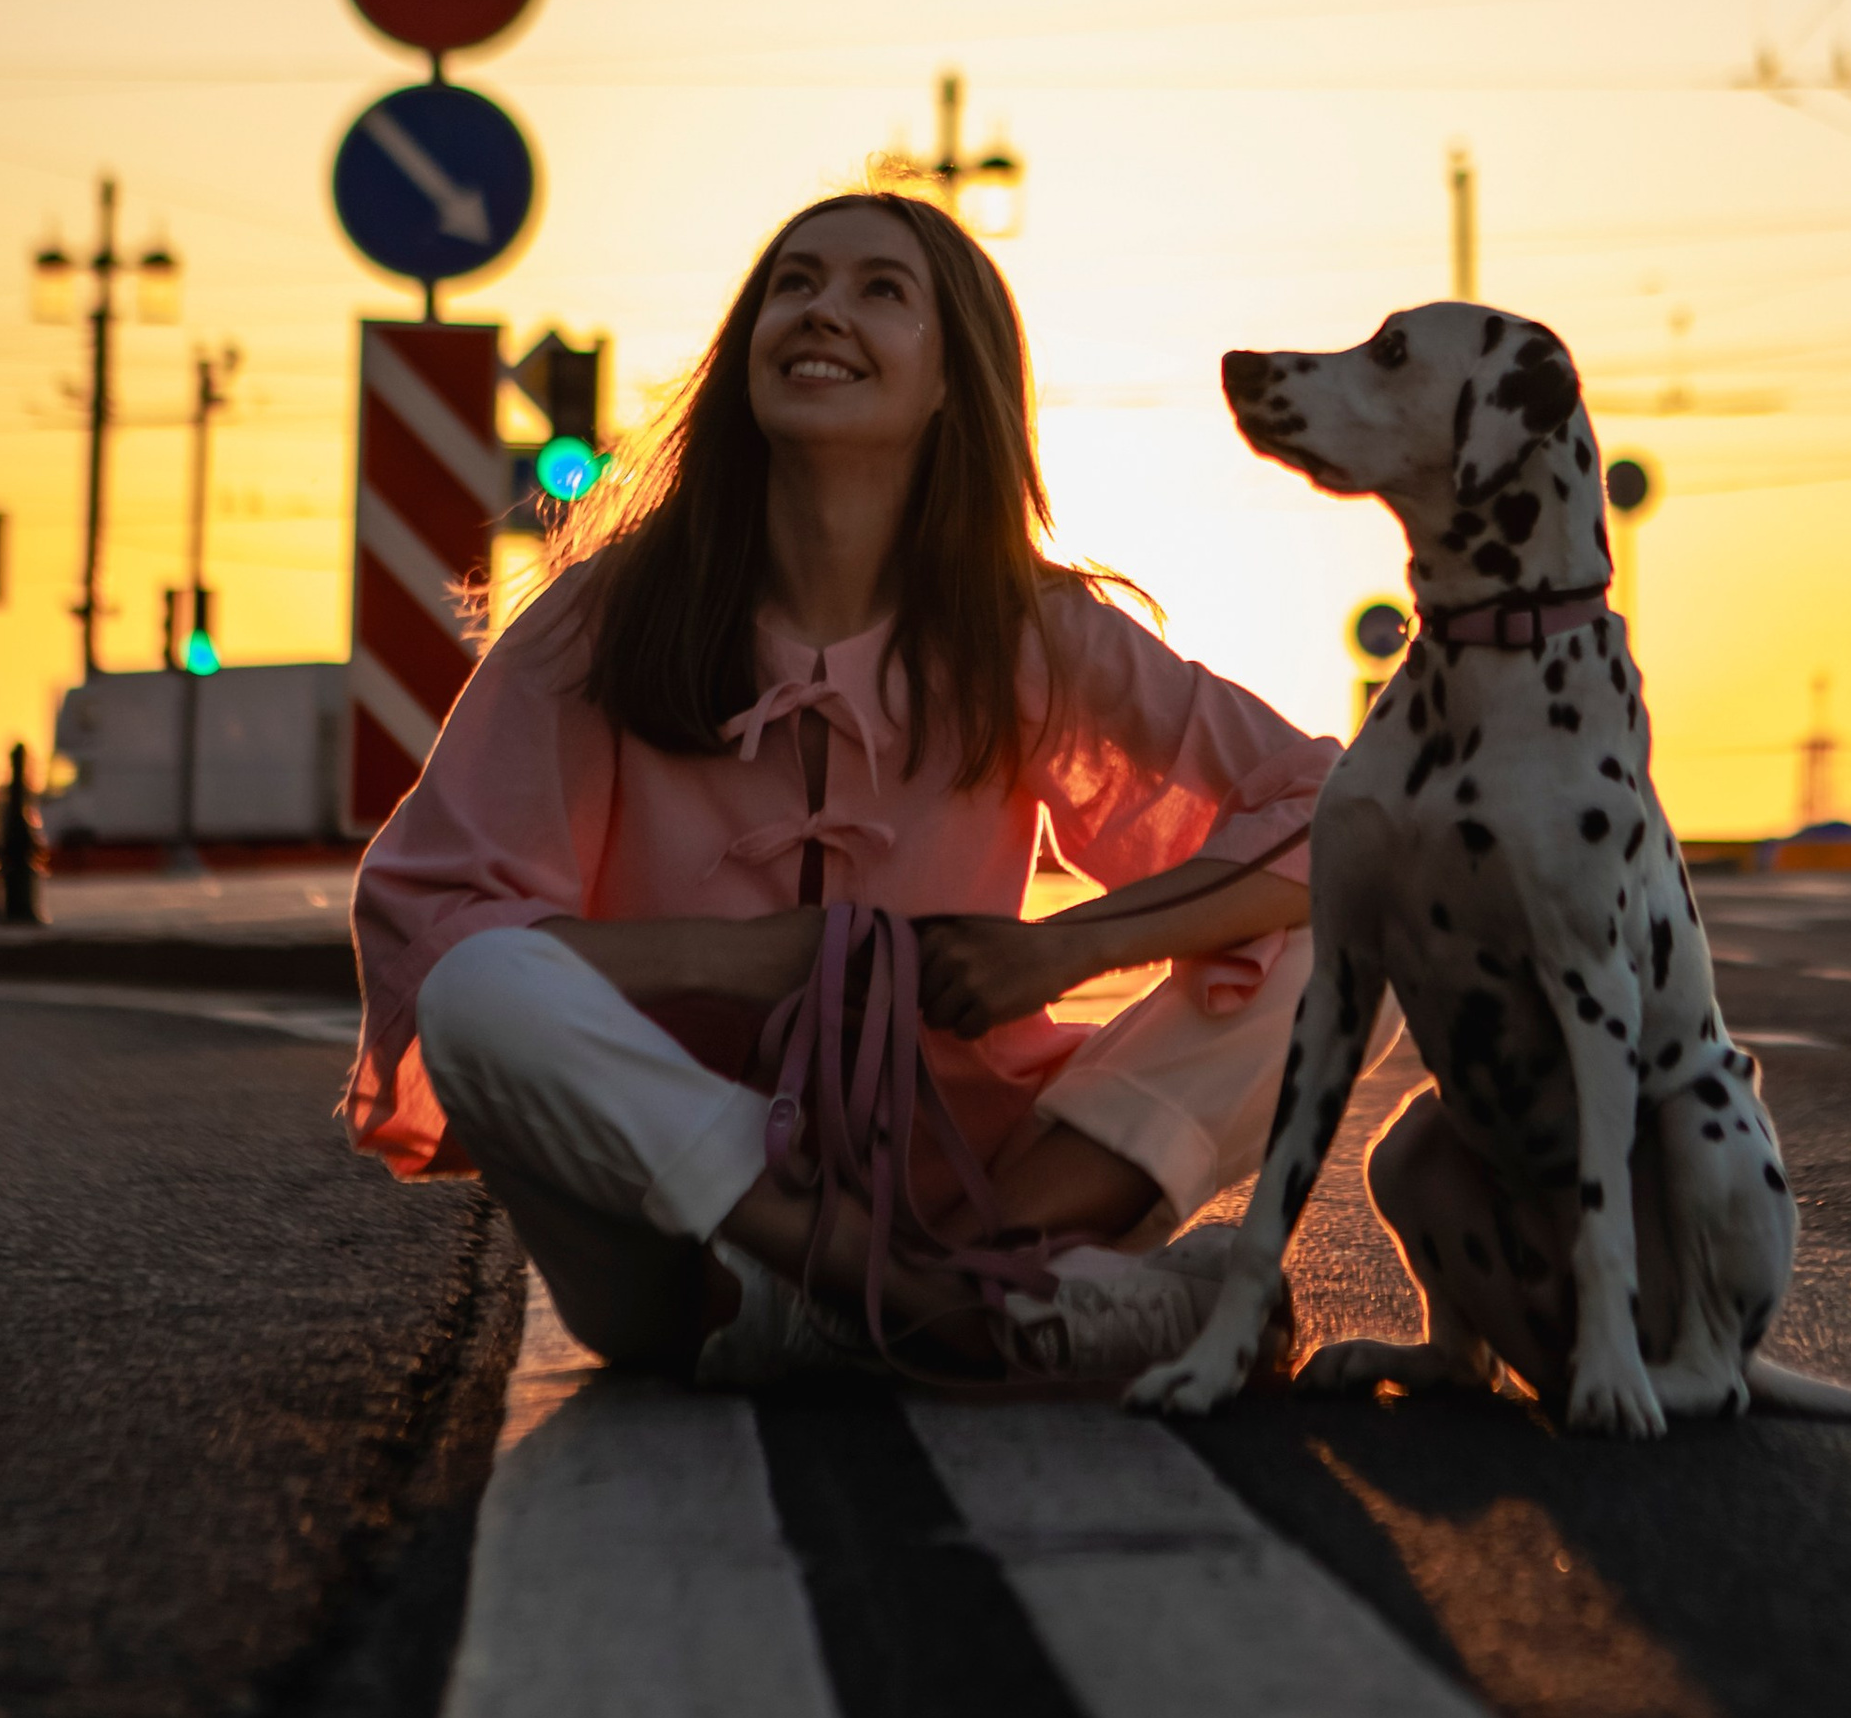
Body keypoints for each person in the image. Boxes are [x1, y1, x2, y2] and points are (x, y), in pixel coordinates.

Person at [346, 190, 1336, 1388]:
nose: (822, 309)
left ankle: (950, 1283)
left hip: (975, 1178)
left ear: (948, 385)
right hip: (686, 1249)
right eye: (793, 283)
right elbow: (432, 921)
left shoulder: (1030, 626)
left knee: (1346, 934)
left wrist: (1061, 951)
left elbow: (1338, 812)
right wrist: (746, 959)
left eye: (881, 289)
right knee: (476, 986)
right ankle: (954, 1309)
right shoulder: (607, 616)